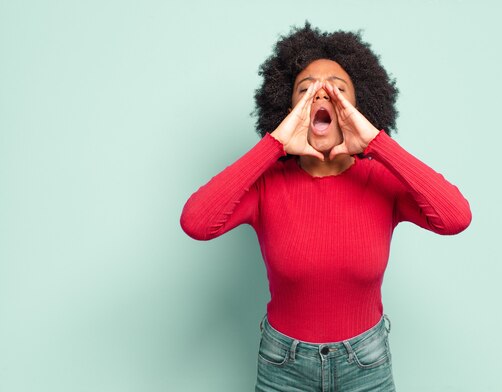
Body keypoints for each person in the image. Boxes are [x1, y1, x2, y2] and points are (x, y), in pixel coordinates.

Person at [180, 22, 472, 392]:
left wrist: (376, 143)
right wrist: (275, 145)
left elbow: (456, 217)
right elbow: (196, 222)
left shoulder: (381, 179)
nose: (321, 98)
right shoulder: (266, 183)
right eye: (306, 92)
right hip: (282, 364)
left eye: (337, 91)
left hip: (366, 362)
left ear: (358, 106)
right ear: (287, 109)